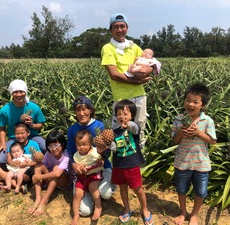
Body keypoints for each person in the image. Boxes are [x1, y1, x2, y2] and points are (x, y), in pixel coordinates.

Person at [101, 13, 161, 142]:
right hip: (121, 98)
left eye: (122, 26)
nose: (119, 30)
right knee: (120, 131)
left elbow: (152, 63)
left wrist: (145, 71)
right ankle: (121, 160)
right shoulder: (108, 48)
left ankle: (139, 159)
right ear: (111, 30)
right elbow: (114, 74)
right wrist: (137, 81)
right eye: (115, 27)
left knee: (140, 129)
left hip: (139, 96)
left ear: (127, 28)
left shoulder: (134, 47)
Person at [171, 83, 216, 225]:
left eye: (195, 102)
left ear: (203, 105)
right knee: (181, 189)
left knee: (201, 192)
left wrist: (198, 133)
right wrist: (180, 133)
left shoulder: (207, 120)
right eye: (187, 100)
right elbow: (175, 141)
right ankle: (183, 212)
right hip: (182, 162)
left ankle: (194, 215)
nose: (190, 104)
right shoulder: (179, 119)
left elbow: (212, 141)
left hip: (201, 163)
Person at [67, 95, 115, 216]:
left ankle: (110, 183)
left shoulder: (100, 126)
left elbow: (108, 152)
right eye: (78, 110)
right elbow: (71, 152)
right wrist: (74, 165)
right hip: (84, 172)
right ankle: (93, 194)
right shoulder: (72, 130)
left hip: (101, 168)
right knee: (84, 212)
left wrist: (103, 153)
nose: (82, 113)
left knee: (106, 193)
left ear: (91, 110)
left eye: (85, 109)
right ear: (74, 112)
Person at [111, 99, 154, 225]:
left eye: (125, 114)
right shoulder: (114, 132)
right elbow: (114, 148)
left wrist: (128, 125)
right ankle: (127, 209)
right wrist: (106, 145)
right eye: (119, 114)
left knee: (138, 189)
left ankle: (145, 209)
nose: (122, 117)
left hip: (131, 165)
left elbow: (135, 128)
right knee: (122, 188)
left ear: (132, 116)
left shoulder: (133, 128)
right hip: (119, 165)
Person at [0, 79, 46, 165]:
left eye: (21, 91)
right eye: (15, 92)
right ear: (11, 93)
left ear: (25, 92)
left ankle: (41, 164)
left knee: (46, 147)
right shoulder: (5, 110)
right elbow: (1, 128)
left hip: (32, 136)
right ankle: (16, 165)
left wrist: (32, 125)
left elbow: (41, 125)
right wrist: (2, 144)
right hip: (14, 138)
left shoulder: (34, 107)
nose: (18, 95)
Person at [28, 130, 72, 217]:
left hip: (64, 183)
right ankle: (38, 198)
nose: (54, 148)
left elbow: (58, 174)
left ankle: (44, 200)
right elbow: (43, 165)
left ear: (62, 144)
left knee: (56, 168)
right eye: (50, 146)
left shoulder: (66, 155)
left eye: (56, 145)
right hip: (52, 181)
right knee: (38, 165)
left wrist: (38, 177)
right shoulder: (48, 154)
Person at [0, 122, 41, 190]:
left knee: (25, 176)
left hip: (27, 169)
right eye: (17, 134)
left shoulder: (34, 144)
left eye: (22, 133)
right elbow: (9, 159)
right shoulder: (12, 144)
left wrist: (29, 163)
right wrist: (13, 163)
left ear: (28, 133)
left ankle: (10, 182)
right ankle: (19, 185)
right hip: (14, 169)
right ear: (14, 134)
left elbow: (39, 160)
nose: (20, 136)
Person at [71, 130, 104, 225]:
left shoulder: (95, 151)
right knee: (77, 194)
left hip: (94, 174)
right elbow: (78, 166)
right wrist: (80, 168)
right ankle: (76, 215)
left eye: (84, 144)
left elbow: (101, 161)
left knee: (93, 187)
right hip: (82, 177)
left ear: (90, 143)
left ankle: (98, 207)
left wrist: (98, 162)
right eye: (78, 144)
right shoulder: (76, 155)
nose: (81, 147)